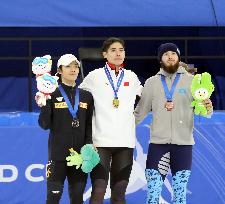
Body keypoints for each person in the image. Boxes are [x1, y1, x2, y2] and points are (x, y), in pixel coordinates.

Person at [134, 43, 213, 204]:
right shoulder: (151, 82)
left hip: (183, 144)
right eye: (166, 54)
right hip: (158, 145)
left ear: (178, 57)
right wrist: (119, 129)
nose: (170, 56)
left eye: (173, 53)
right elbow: (139, 112)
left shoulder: (192, 81)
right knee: (153, 194)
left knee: (179, 194)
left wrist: (208, 107)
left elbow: (204, 111)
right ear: (160, 59)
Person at [79, 37, 142, 204]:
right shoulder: (94, 76)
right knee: (98, 190)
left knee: (119, 193)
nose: (118, 53)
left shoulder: (132, 77)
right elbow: (78, 100)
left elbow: (150, 98)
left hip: (125, 142)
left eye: (121, 50)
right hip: (100, 142)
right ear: (105, 54)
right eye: (113, 50)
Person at [36, 54, 94, 204]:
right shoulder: (51, 94)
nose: (73, 69)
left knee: (77, 198)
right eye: (68, 66)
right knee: (53, 198)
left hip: (79, 158)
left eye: (76, 66)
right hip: (57, 157)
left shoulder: (86, 96)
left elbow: (89, 124)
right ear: (60, 71)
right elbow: (44, 125)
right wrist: (44, 106)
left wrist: (87, 147)